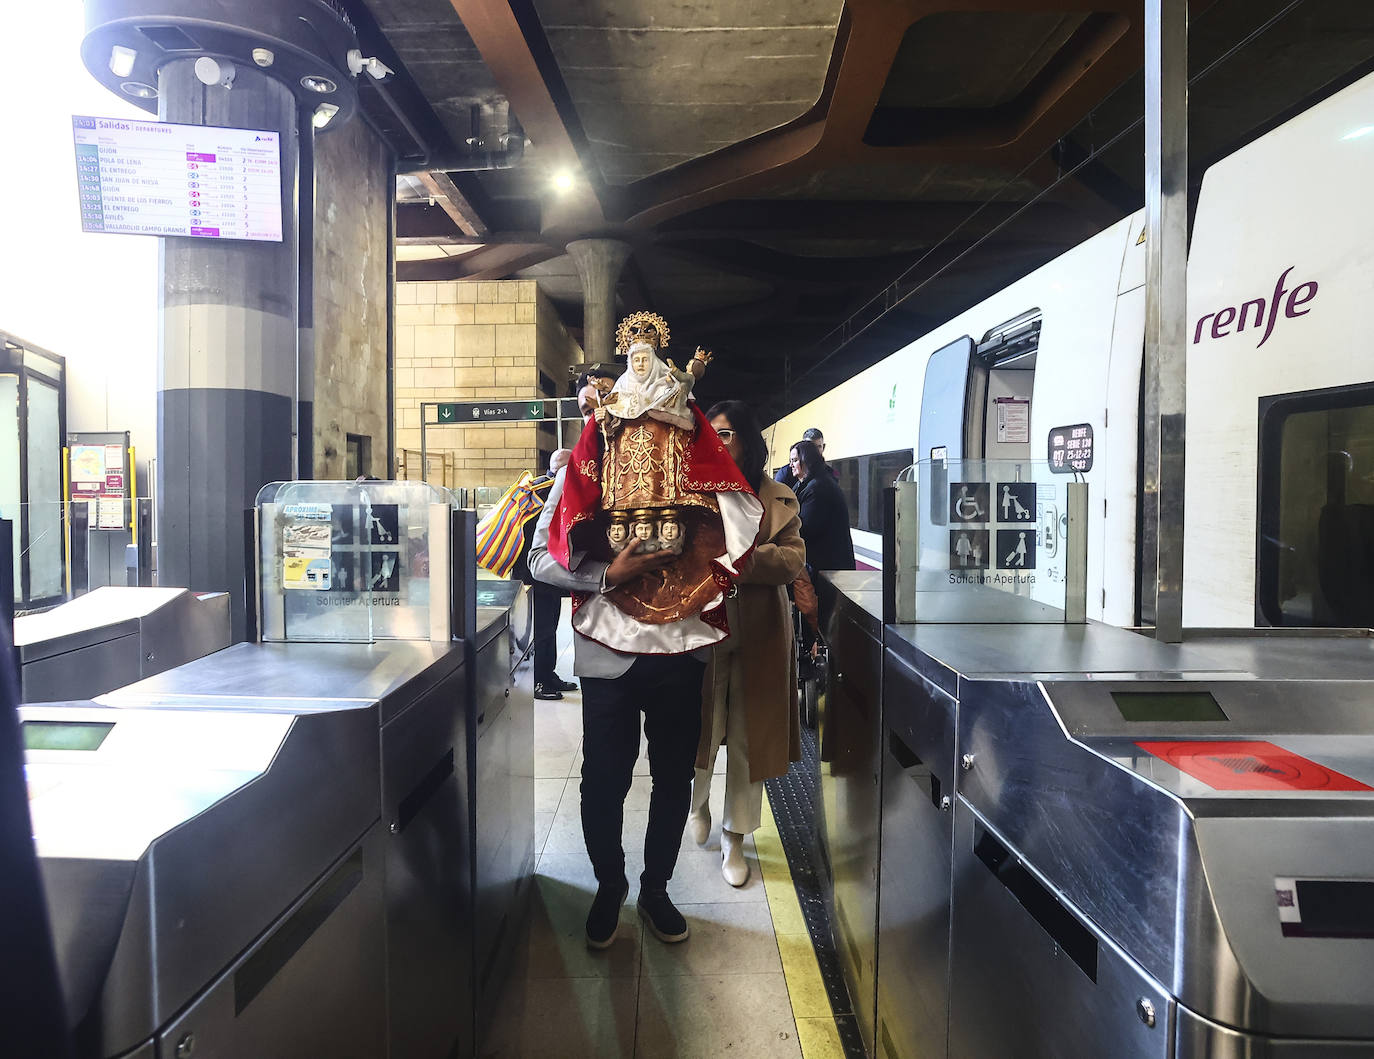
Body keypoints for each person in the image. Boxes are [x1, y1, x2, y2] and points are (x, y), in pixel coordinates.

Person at [529, 311, 762, 951]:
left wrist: (709, 553)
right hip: (607, 656)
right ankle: (610, 886)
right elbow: (541, 558)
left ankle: (657, 889)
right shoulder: (587, 460)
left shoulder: (693, 464)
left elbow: (734, 519)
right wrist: (608, 573)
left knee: (673, 778)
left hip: (680, 650)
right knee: (604, 779)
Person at [690, 401, 805, 886]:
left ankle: (735, 839)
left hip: (760, 632)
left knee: (747, 737)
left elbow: (792, 560)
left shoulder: (780, 496)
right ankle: (697, 805)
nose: (720, 442)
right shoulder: (692, 490)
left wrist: (740, 560)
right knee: (700, 728)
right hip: (704, 628)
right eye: (712, 434)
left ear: (750, 442)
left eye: (729, 433)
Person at [511, 450, 578, 700]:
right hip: (534, 575)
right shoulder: (544, 492)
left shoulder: (536, 489)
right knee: (541, 629)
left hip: (541, 574)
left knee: (549, 626)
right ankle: (539, 681)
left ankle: (548, 675)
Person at [790, 439, 855, 571]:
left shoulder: (818, 488)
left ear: (807, 460)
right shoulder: (805, 484)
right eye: (791, 460)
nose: (791, 465)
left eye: (795, 460)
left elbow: (804, 529)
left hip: (828, 567)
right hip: (821, 564)